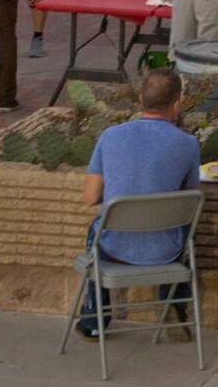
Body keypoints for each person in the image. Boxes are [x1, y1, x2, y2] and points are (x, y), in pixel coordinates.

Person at [73, 68, 203, 342]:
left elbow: (90, 197)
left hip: (114, 246)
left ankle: (94, 320)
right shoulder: (188, 144)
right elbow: (189, 195)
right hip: (166, 249)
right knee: (185, 226)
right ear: (177, 104)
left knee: (96, 231)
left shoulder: (110, 136)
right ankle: (173, 305)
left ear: (141, 98)